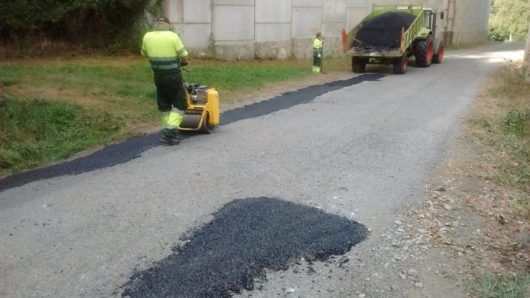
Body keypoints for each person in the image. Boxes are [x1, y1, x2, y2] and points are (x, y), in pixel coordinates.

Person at [141, 17, 190, 145]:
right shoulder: (173, 36)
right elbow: (184, 56)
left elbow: (144, 53)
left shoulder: (147, 37)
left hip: (158, 77)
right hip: (173, 76)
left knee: (164, 105)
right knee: (181, 104)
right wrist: (184, 62)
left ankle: (171, 136)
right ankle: (169, 132)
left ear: (155, 25)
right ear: (168, 25)